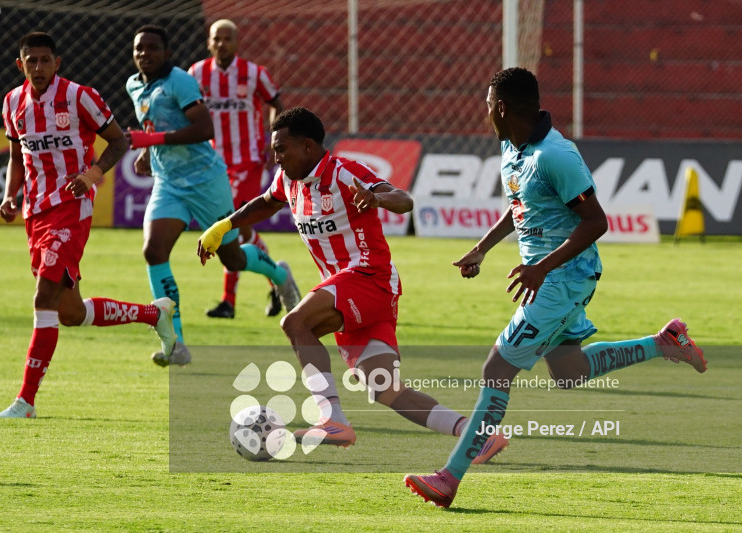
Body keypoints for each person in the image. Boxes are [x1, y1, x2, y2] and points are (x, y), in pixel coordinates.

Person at [403, 67, 708, 508]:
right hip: (550, 278)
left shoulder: (555, 155)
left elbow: (596, 221)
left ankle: (449, 479)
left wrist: (541, 267)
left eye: (489, 104)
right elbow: (521, 205)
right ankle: (664, 343)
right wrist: (482, 249)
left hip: (563, 279)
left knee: (496, 370)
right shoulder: (512, 148)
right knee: (569, 372)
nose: (486, 111)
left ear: (503, 108)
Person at [197, 106, 508, 459]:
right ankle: (477, 435)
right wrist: (223, 227)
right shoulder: (289, 181)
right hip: (350, 289)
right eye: (274, 151)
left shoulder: (345, 172)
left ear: (309, 147)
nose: (277, 158)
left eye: (282, 149)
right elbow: (266, 203)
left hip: (368, 277)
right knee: (385, 389)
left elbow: (403, 199)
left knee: (295, 322)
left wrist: (376, 198)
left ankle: (331, 419)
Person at [0, 32, 178, 419]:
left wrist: (93, 174)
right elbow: (16, 154)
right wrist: (11, 195)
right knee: (70, 313)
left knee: (44, 298)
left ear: (57, 63)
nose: (39, 67)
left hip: (72, 208)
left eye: (46, 60)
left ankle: (25, 402)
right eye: (32, 61)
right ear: (20, 65)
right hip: (36, 214)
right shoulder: (13, 102)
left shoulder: (80, 96)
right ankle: (154, 314)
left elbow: (117, 141)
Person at [125, 25, 301, 366]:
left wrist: (153, 143)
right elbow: (153, 125)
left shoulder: (181, 81)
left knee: (232, 258)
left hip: (207, 180)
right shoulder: (135, 85)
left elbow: (205, 130)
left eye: (152, 48)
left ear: (167, 53)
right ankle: (174, 344)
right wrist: (149, 153)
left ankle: (279, 274)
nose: (144, 53)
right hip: (169, 183)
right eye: (138, 48)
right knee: (153, 250)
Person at [188, 19, 284, 321]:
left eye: (228, 39)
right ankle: (278, 279)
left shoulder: (254, 73)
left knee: (230, 224)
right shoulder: (197, 73)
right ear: (209, 42)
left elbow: (276, 102)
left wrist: (273, 139)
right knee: (242, 230)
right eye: (217, 38)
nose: (222, 44)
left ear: (236, 42)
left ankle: (228, 302)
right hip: (213, 162)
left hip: (247, 159)